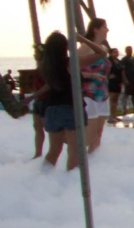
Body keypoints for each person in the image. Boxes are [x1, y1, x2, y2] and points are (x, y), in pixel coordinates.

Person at [38, 32, 99, 170]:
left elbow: (51, 84)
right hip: (71, 108)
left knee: (53, 151)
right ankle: (69, 187)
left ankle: (42, 180)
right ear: (65, 46)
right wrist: (82, 39)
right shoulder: (71, 62)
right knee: (75, 153)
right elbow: (101, 53)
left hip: (52, 109)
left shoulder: (47, 65)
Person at [79, 19, 112, 151]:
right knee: (89, 134)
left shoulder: (104, 48)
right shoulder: (85, 48)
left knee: (99, 133)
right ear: (95, 29)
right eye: (105, 27)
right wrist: (92, 75)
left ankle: (94, 160)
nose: (107, 30)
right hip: (89, 93)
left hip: (102, 92)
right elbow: (72, 70)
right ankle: (79, 162)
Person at [121, 46, 134, 118]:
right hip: (128, 79)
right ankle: (124, 110)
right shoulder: (124, 59)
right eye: (128, 50)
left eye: (131, 50)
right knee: (126, 94)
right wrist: (125, 79)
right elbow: (122, 70)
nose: (130, 51)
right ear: (126, 51)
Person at [106, 48, 123, 124]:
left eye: (117, 52)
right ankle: (110, 116)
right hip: (111, 82)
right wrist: (108, 76)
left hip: (118, 82)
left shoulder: (118, 61)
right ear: (111, 53)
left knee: (116, 99)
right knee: (112, 99)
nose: (116, 53)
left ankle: (114, 115)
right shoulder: (108, 61)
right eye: (114, 52)